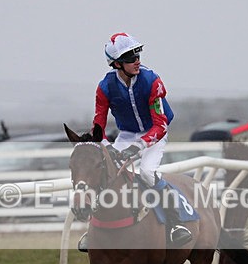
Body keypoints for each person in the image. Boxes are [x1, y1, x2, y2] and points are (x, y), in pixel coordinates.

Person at [77, 32, 193, 251]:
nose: (137, 60)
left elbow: (161, 124)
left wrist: (139, 146)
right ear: (117, 64)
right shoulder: (104, 87)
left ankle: (175, 224)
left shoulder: (152, 81)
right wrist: (107, 146)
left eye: (137, 54)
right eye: (130, 57)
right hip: (127, 134)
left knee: (147, 173)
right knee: (106, 171)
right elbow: (98, 125)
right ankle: (92, 229)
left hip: (155, 132)